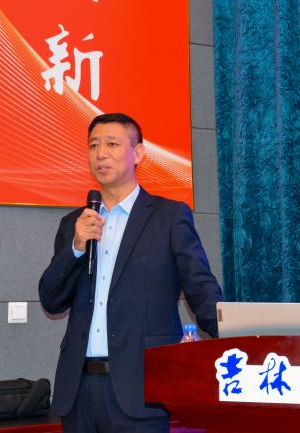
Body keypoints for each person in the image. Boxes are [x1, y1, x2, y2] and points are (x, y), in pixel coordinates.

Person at [38, 113, 222, 433]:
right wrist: (76, 248)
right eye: (93, 145)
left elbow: (201, 289)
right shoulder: (74, 224)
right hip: (79, 391)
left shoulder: (169, 216)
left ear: (137, 154)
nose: (100, 153)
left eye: (112, 144)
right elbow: (51, 300)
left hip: (142, 389)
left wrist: (237, 341)